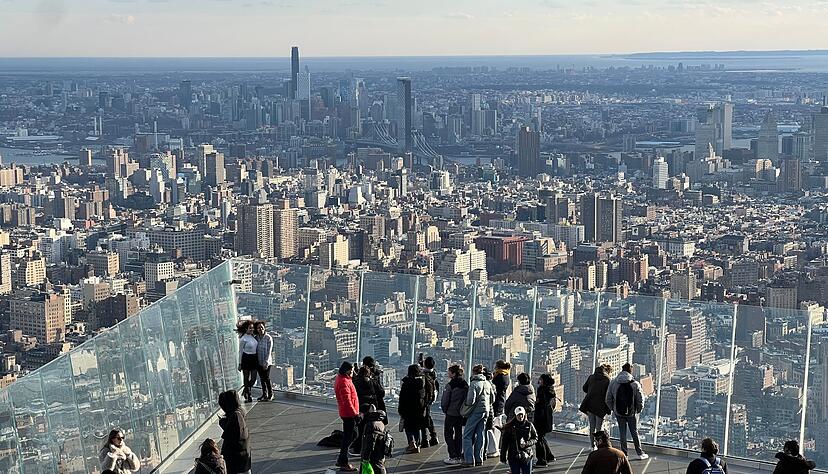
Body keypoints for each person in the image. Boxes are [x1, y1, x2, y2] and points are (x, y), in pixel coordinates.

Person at [605, 363, 648, 460]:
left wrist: (614, 409)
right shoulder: (635, 384)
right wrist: (638, 410)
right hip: (632, 413)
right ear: (630, 371)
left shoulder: (613, 382)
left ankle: (624, 454)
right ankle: (639, 453)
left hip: (619, 412)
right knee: (634, 432)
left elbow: (608, 399)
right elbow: (640, 400)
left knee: (622, 433)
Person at [462, 364, 494, 467]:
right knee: (481, 434)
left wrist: (465, 406)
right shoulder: (488, 383)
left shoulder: (474, 384)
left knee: (467, 435)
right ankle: (479, 458)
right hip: (486, 411)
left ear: (473, 372)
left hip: (476, 412)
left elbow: (471, 400)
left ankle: (469, 460)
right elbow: (492, 398)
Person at [334, 361, 360, 472]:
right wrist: (355, 414)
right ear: (348, 371)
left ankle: (342, 458)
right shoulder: (344, 382)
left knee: (350, 435)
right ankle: (343, 460)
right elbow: (347, 401)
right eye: (352, 371)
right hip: (348, 413)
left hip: (347, 412)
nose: (353, 373)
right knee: (350, 436)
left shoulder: (342, 379)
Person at [441, 364, 468, 465]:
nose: (448, 373)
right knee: (458, 434)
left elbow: (444, 401)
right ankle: (458, 454)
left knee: (448, 433)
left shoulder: (450, 385)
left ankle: (453, 456)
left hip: (451, 413)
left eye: (449, 372)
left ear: (453, 373)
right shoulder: (465, 385)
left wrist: (445, 410)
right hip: (461, 414)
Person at [217, 390, 251, 474]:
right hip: (244, 450)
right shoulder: (240, 410)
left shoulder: (235, 415)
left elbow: (230, 431)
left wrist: (222, 422)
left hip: (235, 454)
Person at [581, 364, 612, 450]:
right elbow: (608, 395)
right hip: (601, 406)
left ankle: (592, 445)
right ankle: (599, 446)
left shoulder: (591, 377)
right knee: (599, 427)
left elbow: (584, 388)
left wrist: (591, 390)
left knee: (592, 426)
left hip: (590, 404)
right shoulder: (607, 379)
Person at [399, 364, 428, 454]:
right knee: (416, 427)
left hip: (408, 409)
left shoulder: (406, 384)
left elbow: (402, 398)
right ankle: (417, 444)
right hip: (419, 409)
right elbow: (425, 397)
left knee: (408, 427)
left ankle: (412, 444)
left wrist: (401, 410)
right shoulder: (422, 383)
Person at [499, 406, 538, 474]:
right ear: (515, 415)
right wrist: (503, 456)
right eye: (518, 415)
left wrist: (527, 443)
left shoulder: (529, 425)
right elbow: (505, 443)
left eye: (521, 414)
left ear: (524, 415)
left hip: (527, 454)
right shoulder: (510, 427)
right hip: (514, 455)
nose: (520, 417)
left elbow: (535, 438)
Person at [534, 373, 557, 466]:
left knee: (538, 438)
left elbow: (538, 403)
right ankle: (549, 456)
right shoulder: (551, 390)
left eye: (541, 379)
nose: (539, 381)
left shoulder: (542, 390)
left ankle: (542, 460)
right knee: (541, 437)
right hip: (547, 416)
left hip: (541, 417)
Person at [360, 404, 389, 474]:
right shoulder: (379, 421)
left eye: (360, 413)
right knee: (380, 467)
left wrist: (365, 459)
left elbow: (370, 444)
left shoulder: (371, 425)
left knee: (376, 469)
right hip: (379, 453)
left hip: (373, 456)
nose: (359, 415)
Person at [236, 320, 258, 403]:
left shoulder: (253, 336)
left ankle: (246, 390)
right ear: (246, 329)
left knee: (253, 378)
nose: (252, 329)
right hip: (246, 358)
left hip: (254, 358)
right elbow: (240, 351)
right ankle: (248, 395)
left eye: (252, 328)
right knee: (246, 377)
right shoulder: (243, 339)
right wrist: (240, 363)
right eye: (250, 328)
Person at [420, 355, 440, 447]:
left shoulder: (423, 375)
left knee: (424, 418)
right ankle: (433, 436)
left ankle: (425, 440)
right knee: (427, 417)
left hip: (424, 399)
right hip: (430, 399)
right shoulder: (433, 373)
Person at [254, 320, 273, 402]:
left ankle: (270, 394)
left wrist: (266, 362)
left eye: (261, 327)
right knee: (261, 379)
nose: (260, 329)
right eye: (258, 328)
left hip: (266, 362)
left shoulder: (268, 338)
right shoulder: (256, 338)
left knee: (266, 378)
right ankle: (264, 394)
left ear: (264, 328)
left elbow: (269, 351)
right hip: (258, 361)